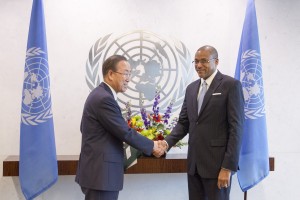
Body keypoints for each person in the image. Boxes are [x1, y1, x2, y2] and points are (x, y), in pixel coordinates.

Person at [75, 55, 165, 200]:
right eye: (125, 73)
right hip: (101, 176)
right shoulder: (104, 99)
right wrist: (152, 145)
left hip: (98, 174)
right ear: (110, 74)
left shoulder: (100, 94)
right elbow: (125, 132)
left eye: (130, 74)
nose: (129, 78)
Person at [162, 45, 245, 200]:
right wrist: (166, 143)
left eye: (204, 61)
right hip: (194, 166)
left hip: (218, 167)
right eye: (196, 61)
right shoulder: (191, 89)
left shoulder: (231, 85)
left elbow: (237, 129)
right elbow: (183, 123)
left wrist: (227, 167)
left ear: (216, 62)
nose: (199, 65)